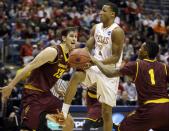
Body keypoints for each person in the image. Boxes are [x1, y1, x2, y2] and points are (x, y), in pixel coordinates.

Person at [61, 2, 125, 131]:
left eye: (104, 10)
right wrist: (76, 57)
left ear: (112, 14)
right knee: (77, 75)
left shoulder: (117, 31)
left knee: (106, 112)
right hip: (95, 66)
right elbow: (87, 48)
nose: (100, 13)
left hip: (110, 71)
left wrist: (95, 62)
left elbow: (116, 57)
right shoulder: (96, 27)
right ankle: (63, 113)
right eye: (101, 10)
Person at [1, 27, 78, 131]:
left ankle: (45, 120)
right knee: (28, 128)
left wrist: (57, 88)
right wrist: (11, 86)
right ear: (64, 38)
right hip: (33, 94)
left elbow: (52, 75)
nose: (75, 39)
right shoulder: (52, 51)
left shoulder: (68, 59)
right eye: (72, 36)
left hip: (46, 95)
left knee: (68, 123)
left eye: (76, 37)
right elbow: (29, 66)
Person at [91, 41, 169, 131]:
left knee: (122, 128)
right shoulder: (164, 67)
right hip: (167, 108)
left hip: (149, 108)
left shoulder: (136, 65)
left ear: (146, 52)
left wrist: (96, 61)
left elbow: (110, 73)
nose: (138, 50)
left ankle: (111, 124)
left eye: (141, 48)